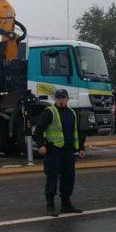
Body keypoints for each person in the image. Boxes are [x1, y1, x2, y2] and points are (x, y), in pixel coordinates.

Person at [33, 89, 86, 217]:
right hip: (54, 150)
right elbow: (38, 129)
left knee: (68, 177)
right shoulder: (49, 112)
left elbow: (77, 132)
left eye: (63, 97)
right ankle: (50, 205)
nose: (60, 100)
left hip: (68, 151)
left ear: (68, 99)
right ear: (55, 99)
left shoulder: (71, 113)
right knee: (52, 177)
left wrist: (81, 147)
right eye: (58, 97)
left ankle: (66, 204)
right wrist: (40, 145)